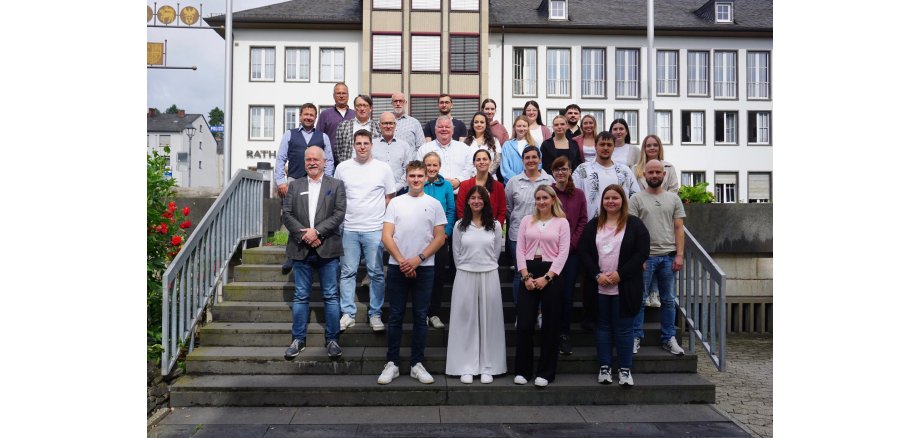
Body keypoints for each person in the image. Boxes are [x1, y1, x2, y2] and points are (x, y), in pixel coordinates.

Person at [377, 160, 448, 385]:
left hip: (425, 268)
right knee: (396, 316)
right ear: (406, 178)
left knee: (420, 317)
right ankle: (393, 363)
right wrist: (401, 261)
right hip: (398, 268)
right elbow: (386, 235)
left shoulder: (435, 203)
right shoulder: (396, 203)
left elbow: (440, 237)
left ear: (426, 178)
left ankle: (417, 363)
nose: (416, 179)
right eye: (412, 176)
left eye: (420, 176)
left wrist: (418, 259)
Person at [578, 184, 650, 387]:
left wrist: (620, 275)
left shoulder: (635, 225)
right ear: (602, 201)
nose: (611, 201)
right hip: (598, 286)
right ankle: (605, 368)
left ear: (622, 201)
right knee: (602, 327)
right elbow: (583, 252)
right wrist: (596, 274)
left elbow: (641, 253)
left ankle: (625, 370)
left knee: (625, 328)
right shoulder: (593, 225)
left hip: (624, 287)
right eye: (607, 198)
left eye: (615, 198)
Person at [281, 146, 347, 361]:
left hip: (327, 248)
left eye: (315, 159)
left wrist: (317, 232)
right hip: (301, 248)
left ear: (324, 161)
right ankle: (298, 340)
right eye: (308, 159)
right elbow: (287, 214)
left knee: (330, 295)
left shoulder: (336, 185)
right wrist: (305, 236)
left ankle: (333, 340)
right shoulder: (295, 185)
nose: (311, 162)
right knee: (301, 296)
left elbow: (339, 214)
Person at [333, 130, 397, 333]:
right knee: (347, 272)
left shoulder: (383, 168)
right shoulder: (343, 168)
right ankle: (348, 314)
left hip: (374, 229)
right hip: (349, 228)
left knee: (376, 273)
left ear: (371, 145)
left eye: (366, 143)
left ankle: (375, 314)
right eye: (358, 143)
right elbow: (337, 196)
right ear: (353, 145)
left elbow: (390, 196)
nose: (362, 146)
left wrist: (379, 217)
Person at [445, 185, 507, 384]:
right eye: (472, 198)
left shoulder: (495, 226)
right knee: (466, 321)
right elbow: (456, 253)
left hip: (489, 274)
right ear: (467, 201)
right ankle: (466, 366)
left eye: (480, 198)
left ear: (486, 201)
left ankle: (489, 366)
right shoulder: (459, 226)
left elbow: (496, 252)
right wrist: (467, 268)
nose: (476, 201)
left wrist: (485, 265)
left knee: (490, 321)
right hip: (465, 274)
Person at [513, 185, 570, 387]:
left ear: (553, 199)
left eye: (545, 197)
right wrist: (526, 276)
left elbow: (563, 253)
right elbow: (520, 249)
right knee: (525, 324)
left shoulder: (562, 223)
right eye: (538, 198)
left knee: (550, 325)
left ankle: (546, 372)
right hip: (529, 271)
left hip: (551, 274)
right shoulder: (527, 221)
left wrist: (547, 277)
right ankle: (522, 370)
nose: (541, 201)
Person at [629, 160, 686, 356]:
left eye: (657, 172)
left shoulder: (673, 199)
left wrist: (679, 255)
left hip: (668, 257)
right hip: (646, 258)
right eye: (650, 172)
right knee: (640, 300)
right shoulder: (636, 199)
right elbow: (632, 230)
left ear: (664, 175)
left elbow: (679, 228)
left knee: (669, 301)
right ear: (644, 175)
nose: (654, 175)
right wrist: (638, 257)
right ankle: (636, 336)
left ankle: (668, 338)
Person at [274, 102, 335, 275]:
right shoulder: (289, 135)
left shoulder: (322, 137)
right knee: (293, 219)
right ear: (300, 116)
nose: (308, 117)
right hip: (294, 181)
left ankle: (315, 254)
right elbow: (280, 159)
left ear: (316, 118)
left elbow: (329, 160)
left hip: (318, 181)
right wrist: (281, 181)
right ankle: (291, 256)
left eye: (312, 115)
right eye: (306, 114)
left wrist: (327, 179)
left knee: (316, 217)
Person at [505, 146, 554, 305]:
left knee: (542, 272)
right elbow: (509, 208)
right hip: (518, 235)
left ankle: (539, 311)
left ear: (539, 159)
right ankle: (521, 311)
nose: (531, 160)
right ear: (523, 161)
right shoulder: (513, 182)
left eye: (534, 157)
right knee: (521, 274)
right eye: (527, 157)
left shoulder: (549, 181)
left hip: (544, 236)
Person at [550, 156, 587, 355]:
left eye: (564, 169)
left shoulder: (579, 195)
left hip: (571, 253)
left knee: (566, 295)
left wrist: (571, 244)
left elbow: (583, 221)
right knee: (551, 294)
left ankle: (564, 334)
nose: (561, 173)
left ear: (570, 171)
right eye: (557, 170)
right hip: (550, 252)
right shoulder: (549, 193)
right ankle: (551, 332)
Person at [421, 152, 457, 330]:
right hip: (421, 240)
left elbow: (451, 210)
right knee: (422, 276)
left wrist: (446, 233)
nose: (432, 168)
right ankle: (422, 313)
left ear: (440, 166)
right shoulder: (419, 183)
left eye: (435, 165)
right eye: (428, 165)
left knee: (438, 277)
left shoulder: (447, 186)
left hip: (440, 239)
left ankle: (433, 313)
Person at [572, 131, 641, 221]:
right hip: (591, 225)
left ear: (614, 147)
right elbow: (574, 196)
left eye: (609, 145)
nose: (605, 148)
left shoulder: (625, 171)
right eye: (602, 144)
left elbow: (635, 197)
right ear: (595, 146)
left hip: (620, 224)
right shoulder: (583, 170)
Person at [417, 116, 475, 191]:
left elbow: (470, 168)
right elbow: (419, 170)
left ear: (453, 130)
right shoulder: (424, 149)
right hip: (433, 194)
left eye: (447, 127)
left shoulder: (464, 148)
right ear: (435, 130)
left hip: (459, 195)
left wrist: (459, 180)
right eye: (440, 127)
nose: (444, 129)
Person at [457, 149, 507, 227]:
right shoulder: (464, 185)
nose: (481, 162)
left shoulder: (499, 187)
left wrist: (495, 228)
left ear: (490, 162)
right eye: (478, 160)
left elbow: (502, 211)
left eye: (485, 159)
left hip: (491, 230)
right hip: (469, 230)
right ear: (474, 163)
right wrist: (470, 227)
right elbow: (460, 209)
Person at [373, 111, 416, 194]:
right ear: (379, 126)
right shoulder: (372, 145)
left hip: (400, 191)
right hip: (376, 191)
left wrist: (396, 188)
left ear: (395, 125)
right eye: (385, 123)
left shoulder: (404, 146)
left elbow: (408, 169)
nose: (388, 126)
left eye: (391, 123)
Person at [334, 94, 381, 166]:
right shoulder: (343, 126)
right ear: (355, 108)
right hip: (349, 169)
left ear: (371, 108)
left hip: (371, 169)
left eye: (365, 105)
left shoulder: (377, 127)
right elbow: (338, 151)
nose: (362, 108)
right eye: (359, 105)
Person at [315, 82, 355, 161]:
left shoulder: (355, 115)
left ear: (348, 95)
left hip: (351, 159)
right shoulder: (325, 114)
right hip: (330, 160)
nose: (341, 96)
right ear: (333, 96)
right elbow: (318, 137)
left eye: (344, 93)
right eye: (338, 93)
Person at [499, 115, 537, 183]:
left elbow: (538, 164)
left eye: (524, 126)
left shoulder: (534, 145)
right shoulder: (507, 145)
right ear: (514, 127)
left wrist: (528, 179)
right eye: (519, 126)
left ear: (528, 127)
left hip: (530, 183)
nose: (521, 129)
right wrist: (517, 181)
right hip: (511, 184)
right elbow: (505, 167)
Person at [463, 112, 501, 176]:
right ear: (473, 124)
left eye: (482, 122)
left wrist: (485, 175)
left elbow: (497, 161)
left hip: (490, 178)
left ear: (486, 124)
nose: (479, 124)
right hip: (471, 178)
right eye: (476, 122)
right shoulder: (466, 142)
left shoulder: (494, 141)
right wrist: (474, 176)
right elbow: (464, 162)